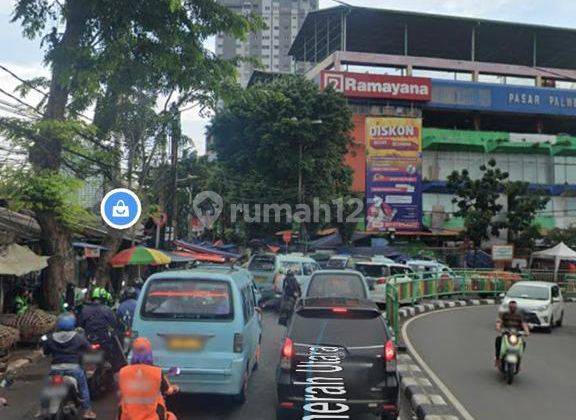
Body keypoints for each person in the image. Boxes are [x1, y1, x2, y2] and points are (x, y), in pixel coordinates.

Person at [41, 313, 97, 419]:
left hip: (55, 369)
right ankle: (88, 411)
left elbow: (45, 352)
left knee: (46, 387)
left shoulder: (51, 337)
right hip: (73, 369)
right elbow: (89, 348)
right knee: (83, 387)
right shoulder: (78, 337)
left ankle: (43, 410)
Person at [118, 337, 179, 420]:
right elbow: (168, 391)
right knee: (171, 417)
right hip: (153, 417)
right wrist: (175, 388)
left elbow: (122, 391)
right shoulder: (156, 372)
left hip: (127, 417)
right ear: (149, 353)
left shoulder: (123, 371)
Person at [80, 287, 121, 371]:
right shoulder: (107, 310)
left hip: (88, 340)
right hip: (103, 342)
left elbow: (80, 324)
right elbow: (114, 324)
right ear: (104, 299)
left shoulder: (84, 310)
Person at [495, 300, 530, 367]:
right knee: (498, 339)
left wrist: (526, 331)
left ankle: (519, 361)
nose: (513, 308)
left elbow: (524, 324)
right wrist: (498, 327)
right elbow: (500, 321)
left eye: (514, 307)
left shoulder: (519, 315)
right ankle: (497, 358)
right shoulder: (505, 314)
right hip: (506, 333)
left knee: (523, 343)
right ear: (509, 307)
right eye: (511, 307)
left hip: (516, 334)